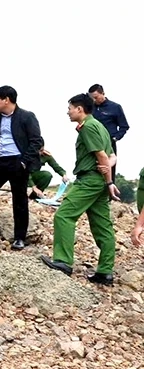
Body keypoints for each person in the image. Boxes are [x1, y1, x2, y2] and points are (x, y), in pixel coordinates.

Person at [40, 94, 120, 286]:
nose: (68, 111)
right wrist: (106, 177)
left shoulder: (89, 127)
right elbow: (112, 156)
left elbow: (101, 156)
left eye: (70, 108)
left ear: (80, 109)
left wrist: (109, 182)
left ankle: (63, 261)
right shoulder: (100, 126)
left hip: (90, 180)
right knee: (102, 226)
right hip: (98, 181)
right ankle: (105, 272)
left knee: (64, 215)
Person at [0, 86, 43, 251]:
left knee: (19, 200)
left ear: (7, 99)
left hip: (18, 162)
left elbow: (37, 141)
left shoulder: (27, 116)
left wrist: (24, 162)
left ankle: (19, 237)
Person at [88, 84, 129, 166]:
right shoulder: (90, 108)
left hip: (109, 143)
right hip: (92, 143)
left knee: (108, 168)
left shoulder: (115, 107)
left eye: (96, 97)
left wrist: (115, 138)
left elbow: (124, 126)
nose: (94, 100)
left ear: (103, 93)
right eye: (92, 98)